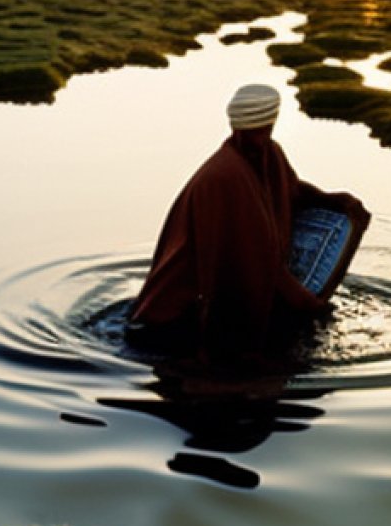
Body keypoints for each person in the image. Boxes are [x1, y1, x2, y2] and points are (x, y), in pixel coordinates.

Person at [126, 83, 370, 362]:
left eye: (262, 128)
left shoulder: (269, 154)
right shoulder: (224, 176)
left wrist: (333, 201)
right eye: (252, 131)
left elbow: (289, 190)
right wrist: (306, 303)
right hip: (173, 316)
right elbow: (257, 258)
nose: (258, 137)